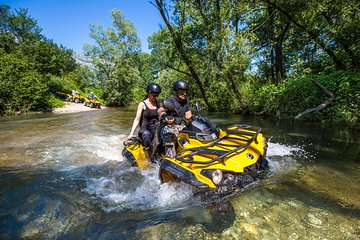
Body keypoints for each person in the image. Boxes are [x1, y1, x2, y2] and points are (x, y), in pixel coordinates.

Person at [157, 79, 192, 157]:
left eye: (185, 91)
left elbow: (188, 115)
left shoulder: (185, 101)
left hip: (178, 125)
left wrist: (195, 117)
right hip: (167, 126)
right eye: (182, 92)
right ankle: (169, 157)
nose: (185, 94)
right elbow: (160, 111)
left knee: (192, 131)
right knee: (169, 132)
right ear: (176, 91)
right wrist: (165, 116)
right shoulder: (170, 101)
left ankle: (188, 154)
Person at [127, 83, 162, 159]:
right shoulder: (142, 104)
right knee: (146, 136)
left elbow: (161, 115)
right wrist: (131, 133)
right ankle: (152, 158)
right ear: (148, 93)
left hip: (155, 129)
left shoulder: (157, 103)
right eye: (154, 95)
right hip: (145, 130)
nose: (155, 97)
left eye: (157, 95)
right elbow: (137, 119)